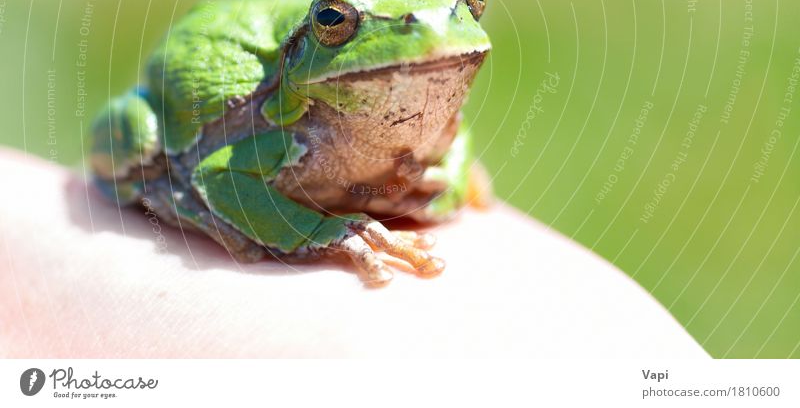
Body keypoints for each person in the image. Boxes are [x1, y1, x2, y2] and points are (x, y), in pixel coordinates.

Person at [0, 148, 705, 358]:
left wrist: (443, 173)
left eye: (473, 3)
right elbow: (220, 174)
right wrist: (321, 232)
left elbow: (454, 147)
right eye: (340, 25)